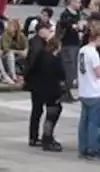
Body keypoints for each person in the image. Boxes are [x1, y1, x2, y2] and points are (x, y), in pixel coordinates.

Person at [24, 21, 65, 151]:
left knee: (38, 110)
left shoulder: (41, 48)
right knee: (40, 111)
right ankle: (37, 137)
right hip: (44, 86)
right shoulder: (39, 47)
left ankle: (35, 137)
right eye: (49, 30)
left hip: (37, 84)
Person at [77, 26, 100, 161]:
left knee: (84, 121)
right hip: (94, 91)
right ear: (99, 38)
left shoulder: (82, 50)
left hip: (83, 90)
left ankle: (83, 147)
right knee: (94, 123)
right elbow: (98, 73)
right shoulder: (93, 53)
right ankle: (93, 148)